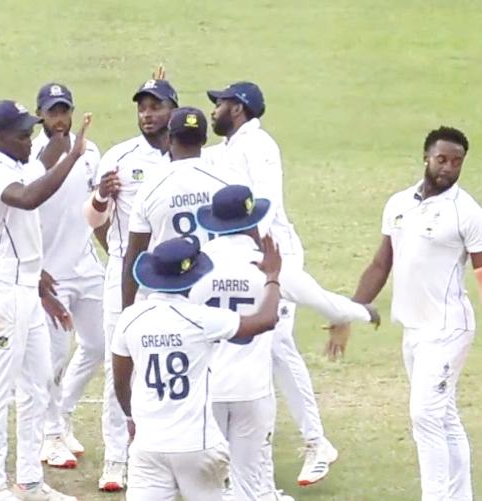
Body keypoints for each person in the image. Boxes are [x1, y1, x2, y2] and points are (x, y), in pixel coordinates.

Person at [191, 185, 379, 501]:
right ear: (253, 223)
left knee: (212, 486)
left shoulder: (196, 265)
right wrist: (365, 311)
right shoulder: (270, 266)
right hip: (252, 390)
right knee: (252, 485)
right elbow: (328, 305)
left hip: (206, 389)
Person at [205, 81, 337, 485]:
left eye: (220, 103)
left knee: (277, 344)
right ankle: (243, 454)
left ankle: (317, 443)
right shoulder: (228, 147)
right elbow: (186, 154)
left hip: (274, 255)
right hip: (248, 257)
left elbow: (265, 203)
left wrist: (257, 259)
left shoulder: (259, 145)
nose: (214, 109)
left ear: (238, 108)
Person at [352, 126, 480, 501]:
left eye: (457, 162)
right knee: (444, 416)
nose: (448, 168)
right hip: (413, 328)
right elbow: (381, 264)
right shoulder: (398, 204)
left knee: (424, 416)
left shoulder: (467, 212)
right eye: (442, 159)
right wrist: (350, 311)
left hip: (448, 329)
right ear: (426, 157)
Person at [0, 99, 91, 501]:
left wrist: (42, 288)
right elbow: (26, 199)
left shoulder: (22, 164)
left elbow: (43, 169)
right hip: (1, 290)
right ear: (0, 137)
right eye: (23, 134)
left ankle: (29, 482)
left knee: (37, 387)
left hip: (25, 286)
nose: (30, 139)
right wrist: (73, 157)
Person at [111, 234, 284, 501]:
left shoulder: (130, 319)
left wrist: (132, 418)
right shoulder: (202, 319)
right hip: (197, 445)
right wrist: (272, 277)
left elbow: (120, 382)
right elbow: (266, 319)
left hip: (149, 446)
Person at [84, 77, 177, 491]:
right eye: (142, 107)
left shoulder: (187, 156)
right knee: (120, 364)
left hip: (174, 277)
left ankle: (167, 451)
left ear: (173, 109)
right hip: (125, 275)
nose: (147, 114)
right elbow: (93, 220)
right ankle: (116, 459)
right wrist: (102, 197)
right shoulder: (119, 157)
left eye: (156, 106)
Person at [28, 83, 105, 469]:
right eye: (52, 112)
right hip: (50, 273)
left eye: (64, 111)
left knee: (101, 344)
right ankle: (51, 434)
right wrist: (32, 267)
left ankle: (66, 412)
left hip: (87, 266)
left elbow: (97, 208)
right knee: (53, 357)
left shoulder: (90, 152)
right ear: (40, 115)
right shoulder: (30, 156)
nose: (59, 119)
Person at [122, 106, 243, 309]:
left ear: (169, 139)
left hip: (169, 296)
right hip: (218, 295)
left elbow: (134, 258)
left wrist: (126, 314)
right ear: (204, 140)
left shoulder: (150, 188)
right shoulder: (227, 181)